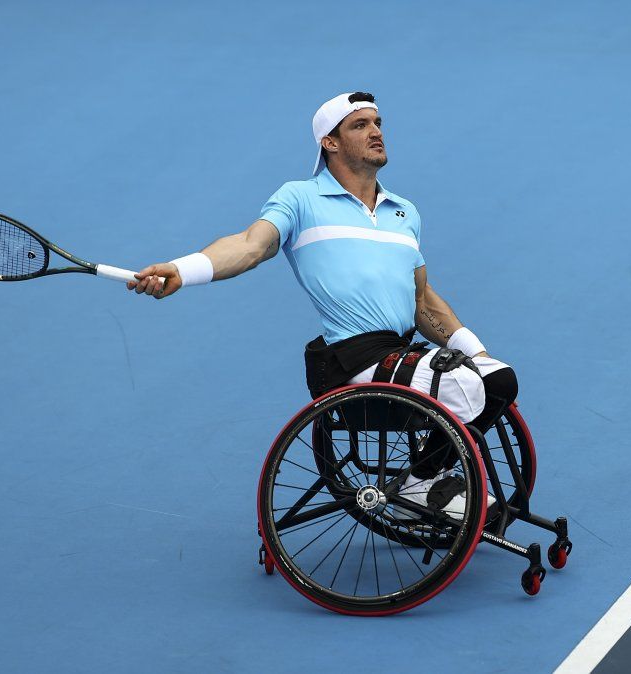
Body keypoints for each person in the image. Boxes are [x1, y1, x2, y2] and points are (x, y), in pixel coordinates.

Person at [127, 92, 518, 518]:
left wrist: (474, 352)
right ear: (329, 143)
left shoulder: (405, 212)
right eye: (360, 125)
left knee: (497, 378)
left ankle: (429, 476)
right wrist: (185, 269)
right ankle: (423, 484)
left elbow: (421, 297)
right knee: (471, 387)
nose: (376, 132)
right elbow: (248, 245)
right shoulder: (300, 199)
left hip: (403, 352)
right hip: (354, 359)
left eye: (378, 122)